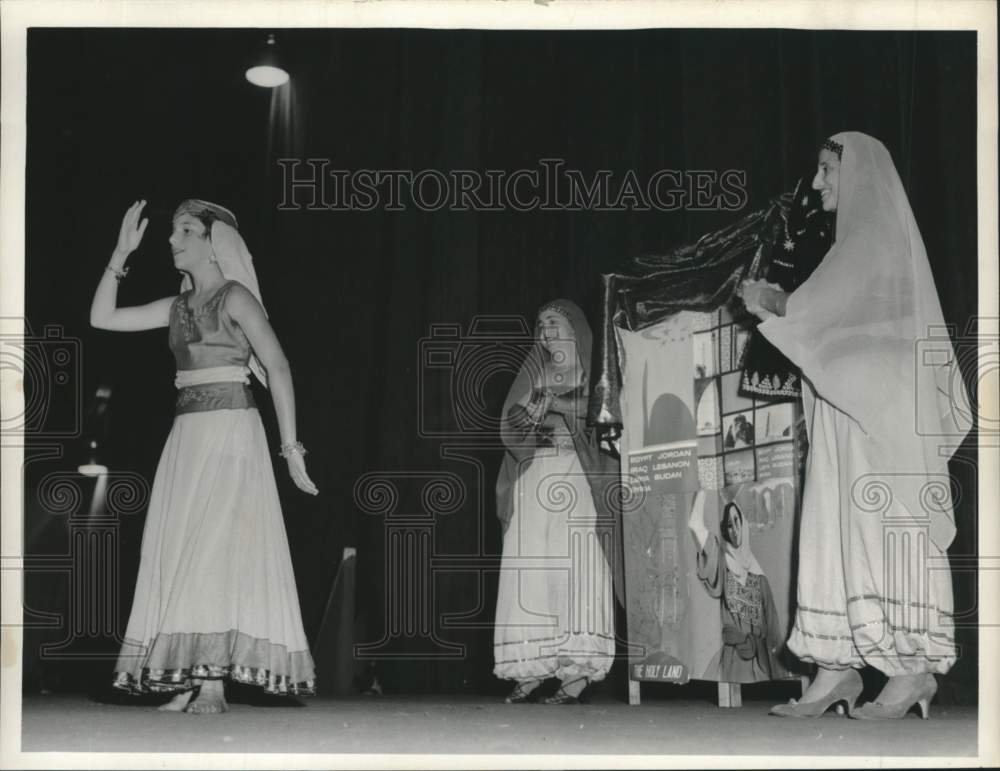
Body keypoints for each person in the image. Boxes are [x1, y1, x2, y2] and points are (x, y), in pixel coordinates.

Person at [740, 132, 970, 719]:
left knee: (878, 527)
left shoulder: (872, 236)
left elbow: (816, 308)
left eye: (827, 170)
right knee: (833, 528)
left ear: (860, 174)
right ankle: (835, 668)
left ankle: (910, 671)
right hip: (849, 403)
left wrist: (766, 295)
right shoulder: (854, 242)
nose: (817, 183)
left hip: (877, 411)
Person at [92, 199, 318, 714]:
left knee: (215, 550)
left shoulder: (236, 297)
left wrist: (291, 449)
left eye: (187, 231)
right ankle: (187, 676)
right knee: (179, 550)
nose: (173, 240)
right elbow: (101, 318)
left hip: (231, 433)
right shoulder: (176, 307)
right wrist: (120, 254)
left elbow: (278, 366)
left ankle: (212, 681)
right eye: (173, 232)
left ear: (215, 244)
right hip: (187, 439)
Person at [493, 300, 619, 705]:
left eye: (554, 321)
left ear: (574, 327)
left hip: (577, 472)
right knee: (529, 565)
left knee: (575, 564)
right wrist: (529, 412)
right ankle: (530, 668)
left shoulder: (594, 371)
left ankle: (576, 672)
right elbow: (511, 421)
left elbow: (605, 414)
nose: (546, 329)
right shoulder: (534, 370)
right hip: (535, 473)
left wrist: (554, 403)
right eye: (541, 322)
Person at [689, 492, 787, 683]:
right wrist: (703, 490)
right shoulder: (722, 565)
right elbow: (695, 524)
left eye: (736, 521)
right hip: (734, 662)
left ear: (743, 524)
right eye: (728, 525)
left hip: (762, 663)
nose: (734, 529)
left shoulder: (760, 580)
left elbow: (774, 634)